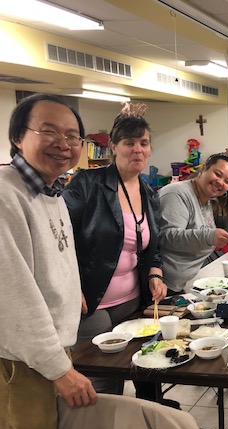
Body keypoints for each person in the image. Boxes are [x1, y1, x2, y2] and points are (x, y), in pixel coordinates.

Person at [1, 93, 97, 429]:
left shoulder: (51, 191)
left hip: (46, 352)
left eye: (73, 136)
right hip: (20, 361)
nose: (63, 144)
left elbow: (51, 261)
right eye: (49, 132)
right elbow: (13, 296)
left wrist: (73, 292)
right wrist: (59, 369)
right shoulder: (6, 196)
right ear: (17, 137)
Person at [63, 107, 169, 400]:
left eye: (144, 143)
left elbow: (153, 244)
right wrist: (69, 284)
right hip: (92, 303)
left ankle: (143, 421)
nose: (138, 149)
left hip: (132, 302)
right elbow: (57, 236)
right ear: (113, 147)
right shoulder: (87, 183)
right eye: (129, 143)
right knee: (103, 384)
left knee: (144, 369)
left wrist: (155, 271)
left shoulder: (149, 193)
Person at [159, 153, 228, 294]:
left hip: (193, 280)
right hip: (168, 287)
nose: (221, 182)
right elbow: (167, 236)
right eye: (217, 174)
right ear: (203, 168)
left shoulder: (207, 199)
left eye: (227, 181)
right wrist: (209, 237)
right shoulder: (176, 193)